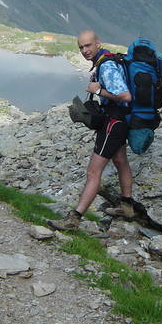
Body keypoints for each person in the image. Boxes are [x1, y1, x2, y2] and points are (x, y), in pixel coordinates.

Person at [48, 30, 137, 230]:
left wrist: (97, 90)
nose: (84, 50)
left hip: (114, 122)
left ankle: (74, 219)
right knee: (120, 160)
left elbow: (125, 96)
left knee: (93, 172)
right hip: (121, 121)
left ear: (98, 43)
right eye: (81, 47)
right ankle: (127, 206)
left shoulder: (106, 66)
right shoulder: (108, 60)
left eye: (88, 45)